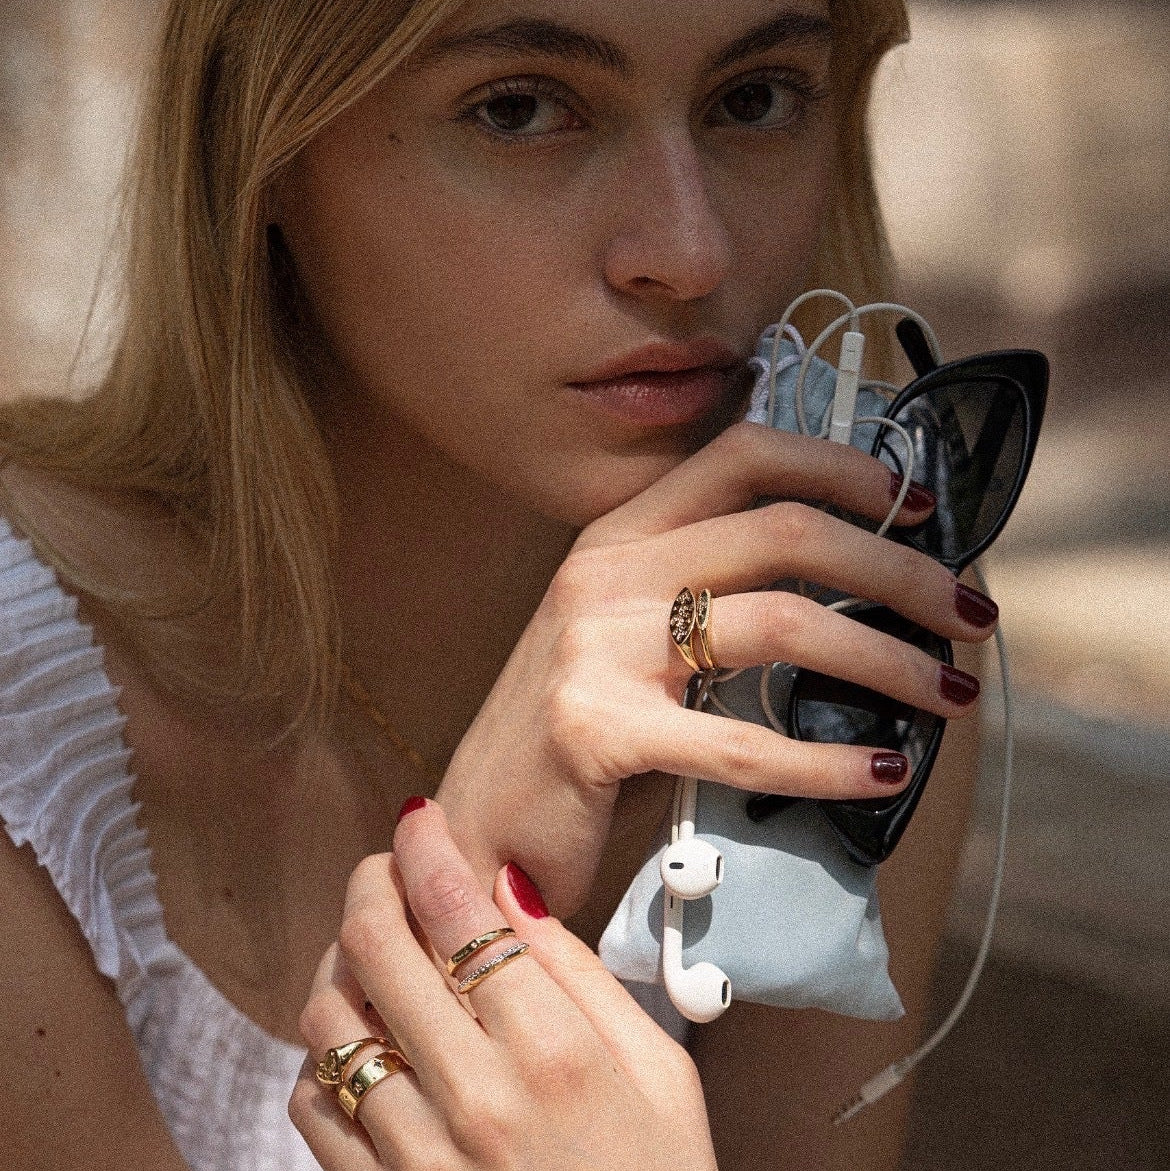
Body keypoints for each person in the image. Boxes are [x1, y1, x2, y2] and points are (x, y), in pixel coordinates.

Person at [0, 0, 995, 1167]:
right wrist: (467, 864)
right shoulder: (29, 720)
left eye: (754, 98)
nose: (690, 253)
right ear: (260, 145)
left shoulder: (838, 611)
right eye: (519, 109)